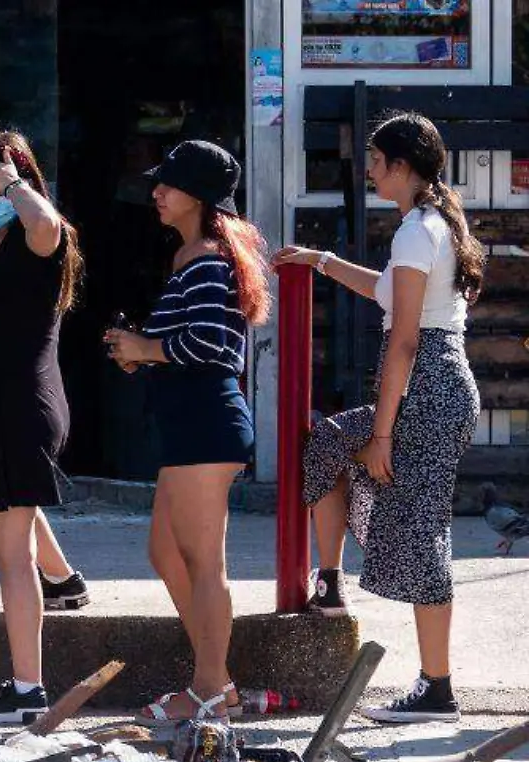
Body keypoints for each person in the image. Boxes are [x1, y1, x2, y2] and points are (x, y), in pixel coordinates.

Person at [275, 112, 484, 724]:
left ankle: (437, 687)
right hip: (438, 383)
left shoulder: (418, 230)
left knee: (422, 532)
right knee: (332, 444)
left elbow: (404, 341)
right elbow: (389, 294)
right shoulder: (426, 225)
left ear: (400, 165)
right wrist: (322, 261)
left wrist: (384, 435)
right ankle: (333, 580)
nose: (367, 169)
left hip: (429, 382)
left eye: (373, 158)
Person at [104, 140, 270, 725]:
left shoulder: (206, 259)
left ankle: (206, 694)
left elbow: (212, 345)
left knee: (203, 561)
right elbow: (191, 343)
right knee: (167, 552)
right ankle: (217, 682)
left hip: (206, 423)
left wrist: (145, 347)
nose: (156, 192)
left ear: (197, 196)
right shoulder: (195, 256)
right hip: (189, 424)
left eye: (168, 185)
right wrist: (141, 353)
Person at [0, 130, 87, 725]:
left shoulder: (41, 236)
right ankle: (60, 580)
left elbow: (48, 224)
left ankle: (27, 690)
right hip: (2, 402)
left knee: (9, 553)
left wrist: (11, 183)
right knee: (19, 519)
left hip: (16, 405)